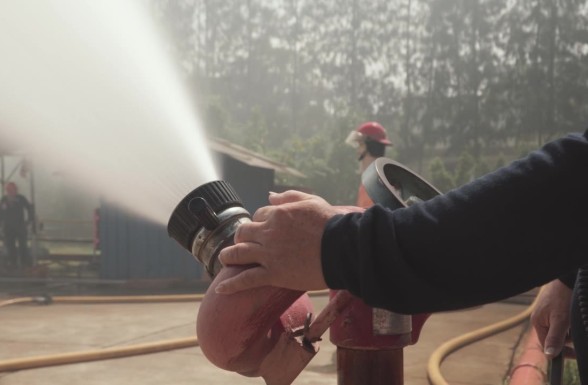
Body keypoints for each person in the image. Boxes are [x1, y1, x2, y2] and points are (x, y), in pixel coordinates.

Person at [215, 129, 588, 378]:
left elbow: (572, 179)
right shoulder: (368, 177)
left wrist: (344, 245)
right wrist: (571, 274)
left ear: (364, 146)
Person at [345, 121, 393, 208]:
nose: (357, 151)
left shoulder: (373, 184)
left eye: (360, 145)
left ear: (369, 146)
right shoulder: (384, 178)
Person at [0, 182, 34, 270]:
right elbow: (0, 213)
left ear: (16, 190)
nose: (10, 192)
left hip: (20, 227)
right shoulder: (4, 200)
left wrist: (29, 220)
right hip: (8, 228)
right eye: (8, 190)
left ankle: (25, 264)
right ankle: (12, 264)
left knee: (23, 246)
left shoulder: (21, 198)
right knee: (10, 246)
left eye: (12, 190)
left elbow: (29, 208)